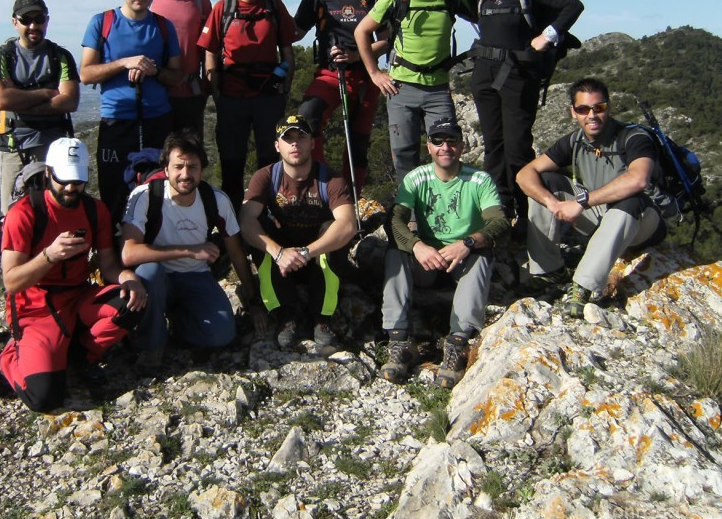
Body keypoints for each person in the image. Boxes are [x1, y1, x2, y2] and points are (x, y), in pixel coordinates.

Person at [0, 137, 148, 412]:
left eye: (77, 181)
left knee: (132, 301)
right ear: (48, 173)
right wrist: (49, 256)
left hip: (77, 296)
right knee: (44, 398)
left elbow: (109, 267)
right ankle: (12, 355)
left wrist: (129, 278)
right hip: (36, 309)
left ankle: (80, 356)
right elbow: (11, 281)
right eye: (63, 179)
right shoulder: (24, 214)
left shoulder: (94, 210)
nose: (71, 188)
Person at [459, 0, 584, 232]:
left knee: (517, 148)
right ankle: (500, 211)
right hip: (484, 75)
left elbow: (573, 6)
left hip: (519, 76)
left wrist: (548, 35)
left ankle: (527, 214)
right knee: (493, 148)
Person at [516, 78, 665, 319]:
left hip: (641, 221)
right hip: (599, 217)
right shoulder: (575, 141)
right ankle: (549, 271)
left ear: (609, 107)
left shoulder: (633, 138)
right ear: (573, 112)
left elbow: (638, 180)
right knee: (544, 182)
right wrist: (553, 203)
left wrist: (581, 202)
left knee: (630, 199)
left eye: (599, 108)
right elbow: (525, 174)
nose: (592, 115)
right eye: (583, 109)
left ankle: (583, 287)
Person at [121, 130, 266, 374]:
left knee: (222, 333)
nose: (185, 174)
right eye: (178, 166)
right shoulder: (146, 196)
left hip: (195, 276)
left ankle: (177, 322)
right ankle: (151, 345)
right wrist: (189, 250)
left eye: (192, 167)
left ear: (202, 170)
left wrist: (253, 301)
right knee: (149, 271)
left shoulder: (216, 200)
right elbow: (129, 254)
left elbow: (236, 253)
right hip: (158, 278)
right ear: (166, 169)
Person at [381, 119, 509, 388]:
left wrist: (468, 243)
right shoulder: (416, 178)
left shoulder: (479, 179)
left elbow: (498, 222)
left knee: (482, 254)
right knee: (396, 250)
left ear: (461, 146)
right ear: (428, 146)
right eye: (437, 141)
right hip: (428, 259)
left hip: (462, 259)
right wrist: (417, 246)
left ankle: (459, 342)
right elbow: (394, 220)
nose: (444, 147)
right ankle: (399, 339)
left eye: (451, 141)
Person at [354, 0, 475, 185]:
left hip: (437, 88)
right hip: (400, 88)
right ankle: (407, 216)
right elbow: (361, 31)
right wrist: (375, 73)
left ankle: (444, 209)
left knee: (446, 151)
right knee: (403, 156)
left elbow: (488, 8)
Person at [239, 114, 357, 354]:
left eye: (301, 137)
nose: (295, 144)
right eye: (287, 138)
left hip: (315, 256)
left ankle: (322, 317)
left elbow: (347, 224)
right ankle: (284, 314)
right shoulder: (265, 177)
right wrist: (278, 252)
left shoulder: (330, 179)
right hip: (281, 260)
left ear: (312, 143)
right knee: (259, 229)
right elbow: (246, 220)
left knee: (334, 232)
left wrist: (305, 253)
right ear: (277, 145)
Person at [80, 0, 183, 226]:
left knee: (160, 187)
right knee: (114, 190)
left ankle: (159, 246)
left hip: (157, 120)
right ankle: (113, 252)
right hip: (116, 122)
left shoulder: (163, 26)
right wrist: (124, 62)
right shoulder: (102, 22)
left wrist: (151, 69)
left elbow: (177, 76)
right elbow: (86, 73)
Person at [198, 0, 299, 208]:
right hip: (232, 97)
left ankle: (267, 211)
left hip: (268, 96)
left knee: (269, 158)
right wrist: (216, 91)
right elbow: (210, 51)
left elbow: (287, 49)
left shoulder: (274, 6)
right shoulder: (223, 7)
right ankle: (230, 214)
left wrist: (285, 89)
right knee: (232, 159)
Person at [295, 0, 385, 196]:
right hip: (329, 74)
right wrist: (271, 2)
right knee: (307, 118)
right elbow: (296, 31)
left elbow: (387, 40)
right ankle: (323, 188)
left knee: (358, 141)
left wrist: (358, 55)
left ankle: (351, 198)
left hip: (365, 77)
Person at [0, 0, 80, 214]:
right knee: (13, 214)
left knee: (56, 213)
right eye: (26, 19)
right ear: (14, 22)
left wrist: (18, 98)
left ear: (47, 20)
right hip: (14, 145)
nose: (33, 25)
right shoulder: (2, 57)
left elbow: (70, 101)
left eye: (39, 19)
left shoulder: (61, 56)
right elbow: (1, 100)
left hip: (53, 147)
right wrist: (48, 93)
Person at [151, 0, 214, 139]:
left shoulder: (201, 3)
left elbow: (208, 48)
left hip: (191, 94)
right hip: (157, 91)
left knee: (191, 154)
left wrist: (208, 84)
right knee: (158, 157)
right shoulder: (149, 1)